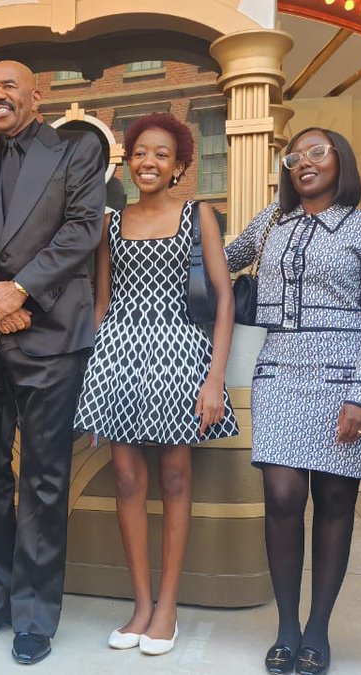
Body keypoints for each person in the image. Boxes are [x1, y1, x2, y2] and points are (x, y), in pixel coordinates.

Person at [0, 60, 106, 665]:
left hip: (52, 335)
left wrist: (22, 290)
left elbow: (84, 229)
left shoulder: (75, 153)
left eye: (8, 86)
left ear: (39, 94)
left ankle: (34, 615)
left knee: (42, 479)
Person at [225, 128, 361, 675]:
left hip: (345, 375)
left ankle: (318, 631)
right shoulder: (272, 222)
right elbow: (220, 260)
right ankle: (286, 628)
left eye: (316, 153)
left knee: (336, 502)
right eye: (294, 156)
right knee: (282, 496)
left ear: (341, 160)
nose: (303, 163)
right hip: (278, 371)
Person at [74, 113, 239, 656]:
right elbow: (102, 303)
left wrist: (215, 380)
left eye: (162, 154)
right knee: (125, 480)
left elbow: (224, 300)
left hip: (178, 353)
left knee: (173, 476)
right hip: (119, 352)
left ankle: (167, 606)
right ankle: (140, 604)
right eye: (141, 152)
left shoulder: (199, 215)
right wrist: (92, 378)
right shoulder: (111, 222)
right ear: (130, 159)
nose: (150, 162)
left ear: (179, 166)